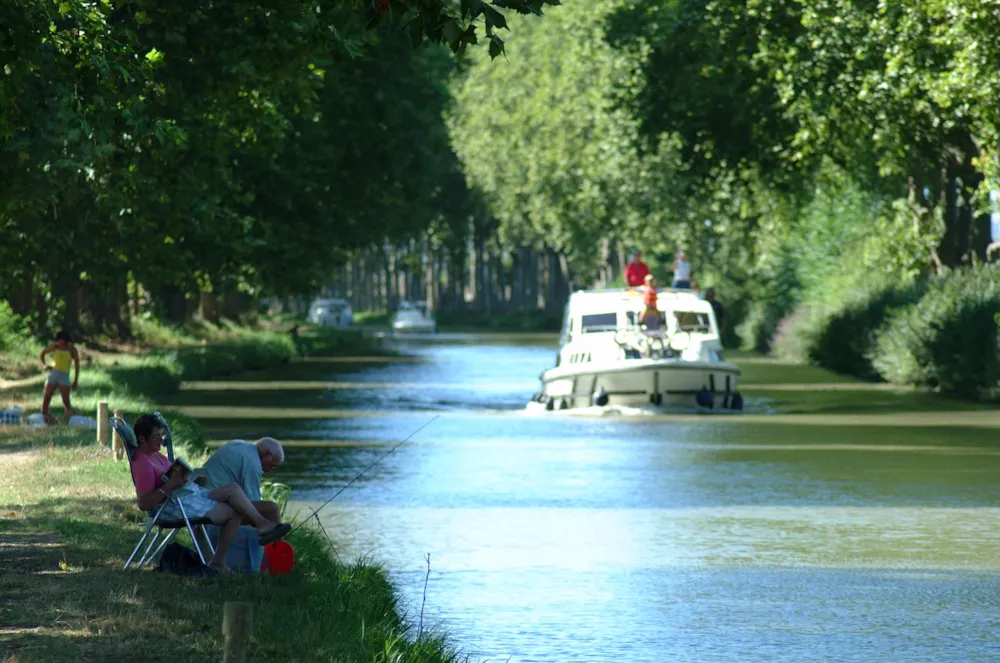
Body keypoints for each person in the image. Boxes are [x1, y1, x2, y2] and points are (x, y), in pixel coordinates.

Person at [130, 414, 290, 574]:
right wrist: (171, 484)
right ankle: (222, 562)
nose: (160, 441)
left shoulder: (156, 455)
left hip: (190, 494)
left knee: (233, 489)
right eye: (155, 437)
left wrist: (184, 477)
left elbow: (168, 479)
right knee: (240, 510)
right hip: (175, 505)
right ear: (142, 439)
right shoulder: (143, 463)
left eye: (161, 435)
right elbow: (144, 504)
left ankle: (261, 526)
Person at [201, 438, 285, 522]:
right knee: (272, 509)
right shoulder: (253, 464)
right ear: (266, 454)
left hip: (200, 492)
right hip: (210, 503)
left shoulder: (238, 444)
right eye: (273, 464)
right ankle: (271, 533)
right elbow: (251, 506)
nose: (271, 469)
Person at [40, 330, 79, 424]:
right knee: (47, 396)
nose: (60, 342)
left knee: (65, 400)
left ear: (66, 340)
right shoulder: (55, 347)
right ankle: (45, 417)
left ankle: (68, 419)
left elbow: (77, 365)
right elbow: (42, 353)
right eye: (59, 340)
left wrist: (75, 380)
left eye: (62, 340)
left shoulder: (72, 350)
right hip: (53, 373)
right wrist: (44, 365)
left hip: (64, 375)